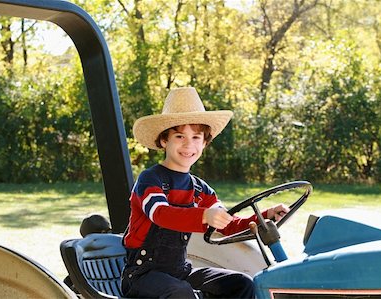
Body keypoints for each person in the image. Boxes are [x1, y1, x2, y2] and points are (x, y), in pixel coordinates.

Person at [121, 87, 289, 298]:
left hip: (179, 271)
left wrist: (265, 216)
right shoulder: (150, 179)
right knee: (180, 292)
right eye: (180, 136)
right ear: (164, 140)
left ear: (205, 142)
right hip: (142, 276)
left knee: (240, 283)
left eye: (196, 137)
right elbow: (161, 214)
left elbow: (229, 225)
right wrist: (203, 215)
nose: (188, 144)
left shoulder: (200, 189)